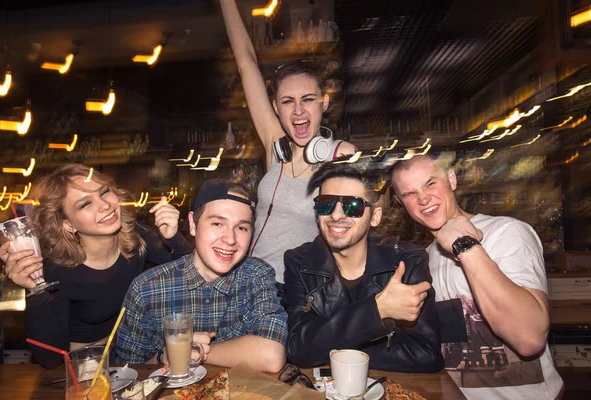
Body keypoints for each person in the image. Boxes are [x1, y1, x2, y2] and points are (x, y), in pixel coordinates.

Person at [390, 155, 563, 399]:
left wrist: (465, 245)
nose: (423, 198)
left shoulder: (506, 233)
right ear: (401, 202)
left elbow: (529, 339)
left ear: (451, 179)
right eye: (409, 194)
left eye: (430, 183)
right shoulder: (423, 261)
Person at [0, 164, 192, 369]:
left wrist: (174, 238)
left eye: (104, 192)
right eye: (85, 204)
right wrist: (36, 290)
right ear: (67, 224)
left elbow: (192, 274)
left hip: (129, 354)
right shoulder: (57, 270)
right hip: (82, 366)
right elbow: (50, 359)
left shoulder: (137, 238)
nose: (105, 205)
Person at [219, 0, 357, 283]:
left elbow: (356, 233)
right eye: (287, 102)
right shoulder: (276, 146)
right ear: (276, 108)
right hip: (246, 281)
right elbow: (246, 62)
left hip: (295, 292)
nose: (297, 112)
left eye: (308, 100)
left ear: (324, 103)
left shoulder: (340, 155)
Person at [283, 162, 443, 372]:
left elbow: (426, 354)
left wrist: (327, 346)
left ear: (374, 217)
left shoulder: (407, 261)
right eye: (325, 204)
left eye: (352, 206)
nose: (336, 215)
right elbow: (298, 349)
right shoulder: (300, 263)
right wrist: (378, 310)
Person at [114, 178, 287, 373]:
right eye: (217, 224)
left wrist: (194, 352)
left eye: (241, 228)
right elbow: (126, 373)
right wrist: (165, 356)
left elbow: (272, 355)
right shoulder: (146, 289)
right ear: (193, 225)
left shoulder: (257, 275)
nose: (230, 239)